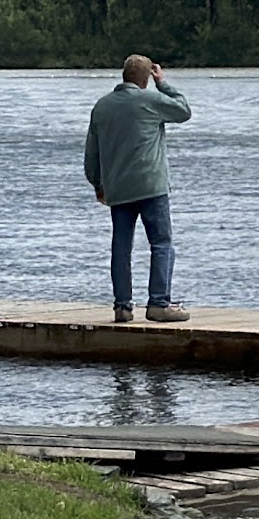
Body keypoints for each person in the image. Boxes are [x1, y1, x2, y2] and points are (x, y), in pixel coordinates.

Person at [84, 55, 192, 323]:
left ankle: (122, 307)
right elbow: (183, 110)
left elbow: (91, 154)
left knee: (121, 247)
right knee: (162, 243)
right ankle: (158, 303)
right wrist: (163, 84)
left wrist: (98, 184)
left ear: (123, 75)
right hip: (151, 187)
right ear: (147, 78)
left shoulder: (102, 107)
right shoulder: (150, 100)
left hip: (118, 190)